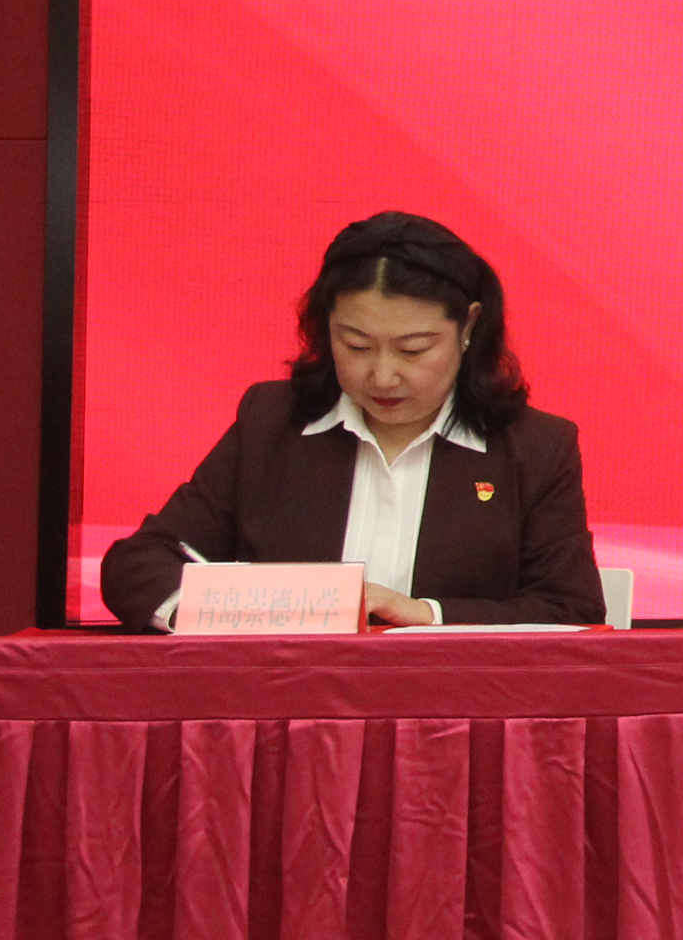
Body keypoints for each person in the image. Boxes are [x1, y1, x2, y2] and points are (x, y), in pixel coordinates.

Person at [100, 212, 606, 629]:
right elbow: (141, 562)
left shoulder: (536, 447)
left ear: (469, 325)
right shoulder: (271, 422)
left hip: (455, 711)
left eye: (413, 349)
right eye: (356, 345)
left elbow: (571, 609)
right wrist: (218, 615)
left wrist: (427, 615)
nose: (382, 376)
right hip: (287, 703)